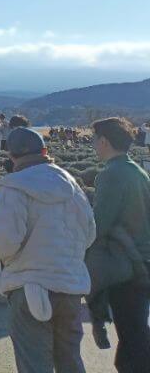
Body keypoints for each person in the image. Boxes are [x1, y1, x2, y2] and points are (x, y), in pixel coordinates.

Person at [0, 128, 95, 373]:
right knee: (70, 362)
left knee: (35, 365)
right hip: (70, 286)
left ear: (11, 157)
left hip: (29, 288)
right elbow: (89, 235)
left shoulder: (13, 188)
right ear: (45, 151)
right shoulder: (72, 186)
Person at [90, 117, 150, 372]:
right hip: (142, 261)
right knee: (135, 331)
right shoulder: (137, 171)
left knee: (132, 336)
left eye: (95, 140)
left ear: (104, 141)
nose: (93, 145)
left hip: (125, 265)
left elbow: (99, 225)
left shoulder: (111, 175)